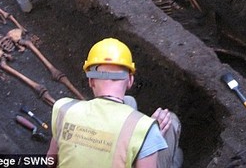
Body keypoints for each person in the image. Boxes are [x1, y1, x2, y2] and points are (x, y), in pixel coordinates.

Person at [47, 37, 183, 168]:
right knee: (173, 128)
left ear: (91, 81)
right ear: (130, 80)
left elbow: (50, 162)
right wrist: (148, 138)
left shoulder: (63, 109)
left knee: (129, 102)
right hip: (142, 135)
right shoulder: (147, 130)